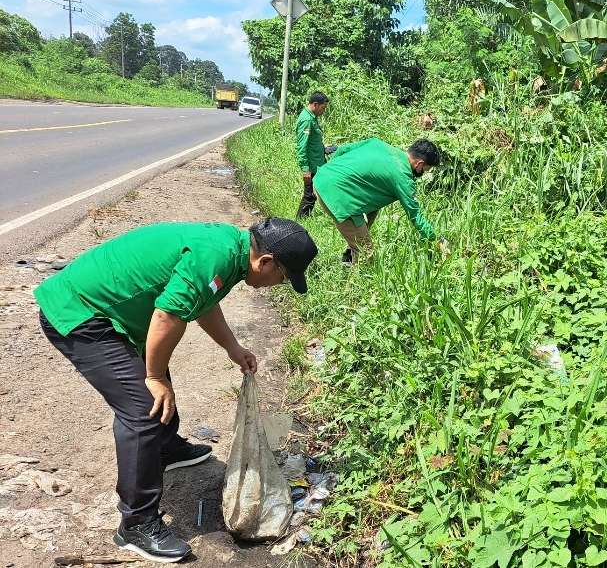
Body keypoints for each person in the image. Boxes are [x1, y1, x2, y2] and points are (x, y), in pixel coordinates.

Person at [34, 218, 318, 563]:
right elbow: (168, 315)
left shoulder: (231, 252)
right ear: (267, 262)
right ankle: (136, 524)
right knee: (144, 410)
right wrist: (153, 376)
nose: (278, 284)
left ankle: (165, 450)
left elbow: (203, 302)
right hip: (81, 314)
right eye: (283, 278)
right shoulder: (214, 256)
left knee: (155, 382)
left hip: (110, 314)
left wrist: (232, 347)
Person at [312, 137, 446, 264]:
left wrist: (330, 173)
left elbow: (342, 150)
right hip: (339, 198)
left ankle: (348, 257)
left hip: (321, 178)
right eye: (425, 170)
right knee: (367, 255)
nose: (423, 173)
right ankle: (356, 285)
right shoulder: (403, 177)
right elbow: (415, 216)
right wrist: (436, 240)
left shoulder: (378, 144)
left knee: (373, 212)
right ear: (419, 164)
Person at [295, 91, 332, 219]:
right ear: (315, 105)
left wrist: (324, 147)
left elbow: (312, 142)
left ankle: (305, 219)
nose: (324, 111)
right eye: (323, 108)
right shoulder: (306, 120)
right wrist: (305, 170)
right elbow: (301, 146)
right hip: (311, 166)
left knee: (315, 194)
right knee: (309, 196)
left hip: (318, 163)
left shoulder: (312, 117)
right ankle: (301, 221)